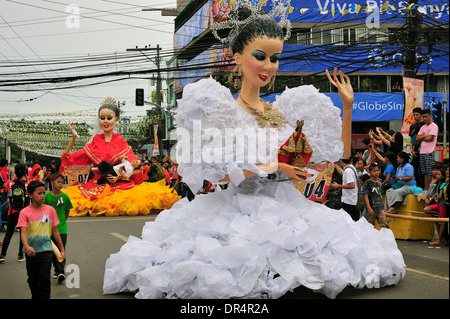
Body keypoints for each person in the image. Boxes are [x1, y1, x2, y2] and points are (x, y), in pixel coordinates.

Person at [103, 3, 404, 300]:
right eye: (260, 56)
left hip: (289, 205)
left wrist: (347, 106)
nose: (268, 66)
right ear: (237, 57)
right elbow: (223, 173)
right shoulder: (223, 111)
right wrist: (277, 167)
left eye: (275, 58)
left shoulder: (285, 111)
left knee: (320, 262)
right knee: (232, 270)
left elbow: (336, 155)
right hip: (238, 207)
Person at [60, 98, 179, 216]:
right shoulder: (95, 141)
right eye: (102, 118)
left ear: (116, 119)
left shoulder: (120, 141)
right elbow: (68, 158)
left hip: (119, 182)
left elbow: (136, 168)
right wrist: (73, 138)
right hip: (97, 183)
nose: (105, 121)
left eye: (109, 118)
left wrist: (118, 177)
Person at [17, 181, 65, 299]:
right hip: (31, 252)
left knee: (44, 279)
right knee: (32, 279)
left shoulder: (50, 210)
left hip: (46, 250)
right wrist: (26, 247)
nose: (42, 196)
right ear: (31, 195)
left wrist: (62, 249)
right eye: (39, 193)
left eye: (44, 193)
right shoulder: (24, 212)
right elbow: (23, 233)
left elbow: (55, 231)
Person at [44, 173, 73, 283]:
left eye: (62, 182)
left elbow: (67, 211)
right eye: (58, 182)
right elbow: (44, 211)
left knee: (61, 249)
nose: (61, 184)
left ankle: (60, 271)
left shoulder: (65, 197)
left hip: (61, 228)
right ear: (52, 183)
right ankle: (56, 270)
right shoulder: (46, 196)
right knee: (52, 250)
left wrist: (62, 221)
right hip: (48, 228)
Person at [0, 164, 28, 263]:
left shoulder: (10, 183)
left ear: (15, 172)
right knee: (22, 234)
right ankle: (20, 255)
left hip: (12, 212)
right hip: (23, 212)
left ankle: (2, 255)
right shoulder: (26, 184)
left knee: (9, 234)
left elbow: (9, 195)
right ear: (24, 172)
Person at [416, 108, 439, 192]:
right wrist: (424, 137)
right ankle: (426, 189)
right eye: (423, 117)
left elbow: (430, 137)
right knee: (425, 172)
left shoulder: (434, 126)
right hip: (422, 151)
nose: (424, 119)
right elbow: (417, 138)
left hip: (429, 151)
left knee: (430, 172)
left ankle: (431, 189)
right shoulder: (423, 127)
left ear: (430, 116)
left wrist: (424, 137)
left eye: (426, 116)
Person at [423, 166, 447, 245]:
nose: (437, 176)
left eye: (439, 174)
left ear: (442, 176)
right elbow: (435, 192)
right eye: (436, 174)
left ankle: (439, 240)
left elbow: (440, 195)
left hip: (441, 205)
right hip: (438, 204)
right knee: (426, 210)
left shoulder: (443, 183)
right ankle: (439, 215)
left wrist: (437, 198)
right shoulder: (438, 182)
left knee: (441, 222)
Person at [362, 163, 389, 228]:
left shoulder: (380, 182)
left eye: (377, 170)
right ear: (370, 172)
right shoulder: (367, 183)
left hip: (380, 208)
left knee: (385, 225)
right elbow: (366, 196)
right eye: (374, 171)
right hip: (371, 208)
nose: (376, 172)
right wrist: (369, 208)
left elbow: (380, 194)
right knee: (369, 227)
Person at [409, 107, 425, 188]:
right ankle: (417, 185)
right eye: (414, 115)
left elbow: (424, 138)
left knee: (422, 170)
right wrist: (412, 150)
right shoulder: (412, 126)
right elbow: (411, 139)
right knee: (414, 168)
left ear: (421, 116)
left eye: (417, 115)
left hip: (423, 150)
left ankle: (423, 186)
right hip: (414, 150)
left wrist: (421, 147)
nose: (415, 116)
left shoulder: (424, 125)